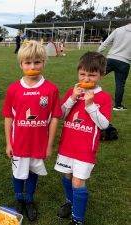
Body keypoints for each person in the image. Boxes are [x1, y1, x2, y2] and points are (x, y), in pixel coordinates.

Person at [2, 40, 62, 222]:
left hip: (39, 143)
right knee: (18, 172)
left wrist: (49, 145)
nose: (32, 66)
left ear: (44, 62)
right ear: (21, 64)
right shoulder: (14, 89)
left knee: (34, 171)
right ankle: (19, 199)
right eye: (27, 62)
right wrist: (8, 143)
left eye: (37, 62)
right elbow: (8, 118)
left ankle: (29, 200)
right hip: (19, 143)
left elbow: (54, 118)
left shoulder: (51, 89)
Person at [54, 52, 112, 225]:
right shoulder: (73, 91)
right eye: (83, 74)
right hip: (67, 146)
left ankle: (77, 219)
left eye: (92, 75)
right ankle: (70, 201)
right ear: (78, 73)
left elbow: (104, 125)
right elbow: (61, 114)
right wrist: (72, 98)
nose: (86, 78)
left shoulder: (103, 97)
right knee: (67, 176)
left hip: (85, 149)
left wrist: (90, 105)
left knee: (78, 182)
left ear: (101, 75)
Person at [97, 23, 131, 111]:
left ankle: (82, 92)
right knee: (120, 84)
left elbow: (106, 42)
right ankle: (118, 105)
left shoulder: (118, 30)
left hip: (111, 59)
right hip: (124, 62)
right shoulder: (118, 29)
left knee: (95, 75)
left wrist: (98, 52)